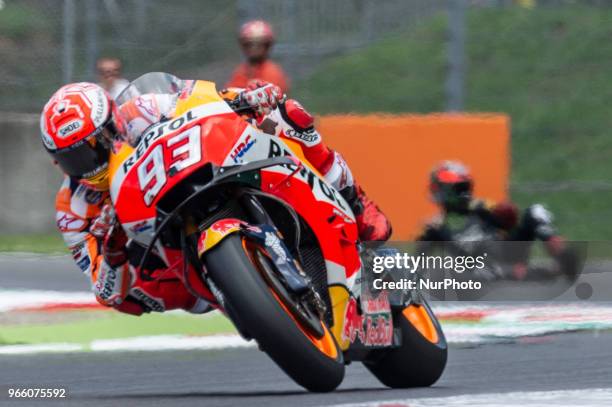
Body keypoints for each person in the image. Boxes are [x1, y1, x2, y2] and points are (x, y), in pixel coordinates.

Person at [40, 79, 391, 315]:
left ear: (113, 121)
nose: (92, 162)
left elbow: (200, 98)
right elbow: (106, 292)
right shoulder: (72, 209)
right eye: (76, 158)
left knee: (287, 118)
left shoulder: (142, 109)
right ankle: (240, 289)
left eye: (97, 144)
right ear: (58, 163)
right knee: (133, 297)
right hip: (164, 251)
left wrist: (242, 98)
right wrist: (114, 250)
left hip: (202, 168)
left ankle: (357, 203)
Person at [418, 160, 569, 280]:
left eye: (464, 188)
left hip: (506, 255)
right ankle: (528, 272)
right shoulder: (435, 227)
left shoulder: (482, 207)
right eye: (458, 189)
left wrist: (505, 215)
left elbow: (510, 222)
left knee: (535, 211)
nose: (463, 193)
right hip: (479, 271)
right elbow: (419, 263)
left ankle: (563, 256)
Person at [226, 20, 290, 94]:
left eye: (260, 45)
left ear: (267, 46)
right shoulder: (240, 71)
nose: (254, 48)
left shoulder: (272, 72)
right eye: (249, 44)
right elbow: (229, 94)